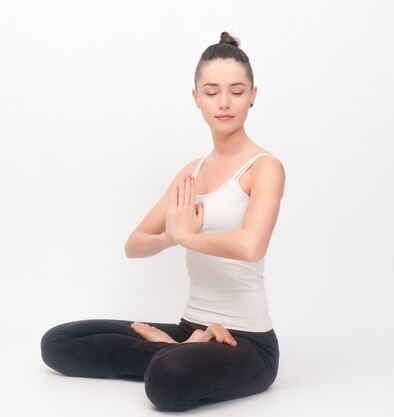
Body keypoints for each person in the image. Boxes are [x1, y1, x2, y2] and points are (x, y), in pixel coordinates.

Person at [40, 31, 286, 411]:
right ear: (196, 98)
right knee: (58, 343)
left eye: (236, 92)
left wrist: (186, 236)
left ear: (253, 95)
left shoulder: (264, 167)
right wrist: (170, 237)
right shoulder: (193, 171)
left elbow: (252, 246)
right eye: (211, 91)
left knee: (166, 383)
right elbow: (134, 244)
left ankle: (173, 355)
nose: (224, 102)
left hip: (248, 343)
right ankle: (179, 348)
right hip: (193, 329)